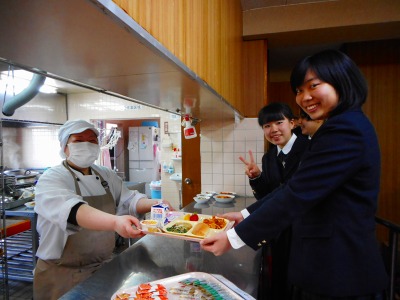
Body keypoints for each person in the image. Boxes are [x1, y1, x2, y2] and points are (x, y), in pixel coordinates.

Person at [201, 50, 388, 299]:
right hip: (328, 266)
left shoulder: (345, 130)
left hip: (342, 270)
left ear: (342, 81)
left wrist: (235, 237)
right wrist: (245, 214)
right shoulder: (339, 126)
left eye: (313, 86)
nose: (305, 97)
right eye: (299, 90)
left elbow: (298, 193)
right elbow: (292, 186)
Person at [33, 119, 174, 300]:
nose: (87, 144)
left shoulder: (104, 174)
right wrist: (115, 221)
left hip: (101, 269)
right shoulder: (52, 178)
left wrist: (156, 203)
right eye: (78, 140)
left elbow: (129, 199)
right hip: (61, 274)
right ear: (65, 146)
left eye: (92, 140)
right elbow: (73, 211)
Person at [239, 102, 309, 299]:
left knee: (299, 284)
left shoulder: (308, 149)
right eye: (267, 126)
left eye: (279, 122)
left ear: (292, 123)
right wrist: (256, 177)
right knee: (279, 281)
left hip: (303, 231)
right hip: (279, 232)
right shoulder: (269, 157)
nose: (274, 130)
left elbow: (293, 192)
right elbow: (267, 196)